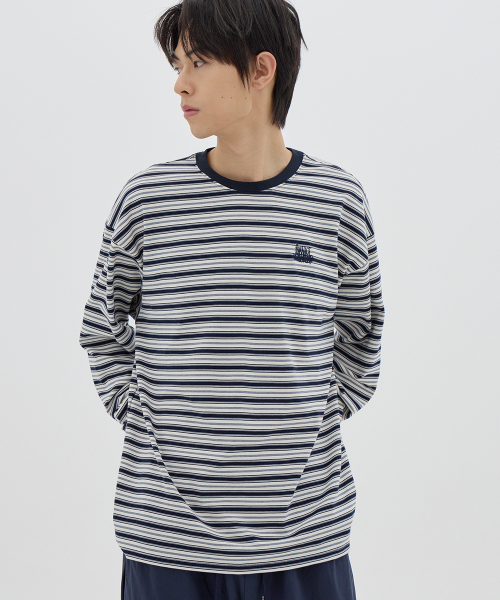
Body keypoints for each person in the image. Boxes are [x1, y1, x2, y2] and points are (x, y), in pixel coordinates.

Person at [78, 0, 385, 598]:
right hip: (165, 537)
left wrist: (313, 420)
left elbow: (361, 333)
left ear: (261, 69)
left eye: (197, 62)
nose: (179, 84)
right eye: (177, 65)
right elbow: (102, 327)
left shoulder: (337, 201)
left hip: (306, 537)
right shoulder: (149, 200)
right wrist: (140, 414)